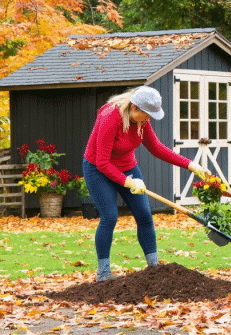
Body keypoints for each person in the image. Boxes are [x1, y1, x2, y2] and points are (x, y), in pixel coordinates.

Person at [83, 86, 209, 281]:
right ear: (135, 107)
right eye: (147, 114)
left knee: (144, 215)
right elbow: (102, 162)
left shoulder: (141, 121)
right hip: (98, 169)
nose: (148, 119)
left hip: (127, 166)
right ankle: (104, 272)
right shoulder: (111, 117)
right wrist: (127, 182)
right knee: (109, 216)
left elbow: (156, 147)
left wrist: (190, 165)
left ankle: (154, 268)